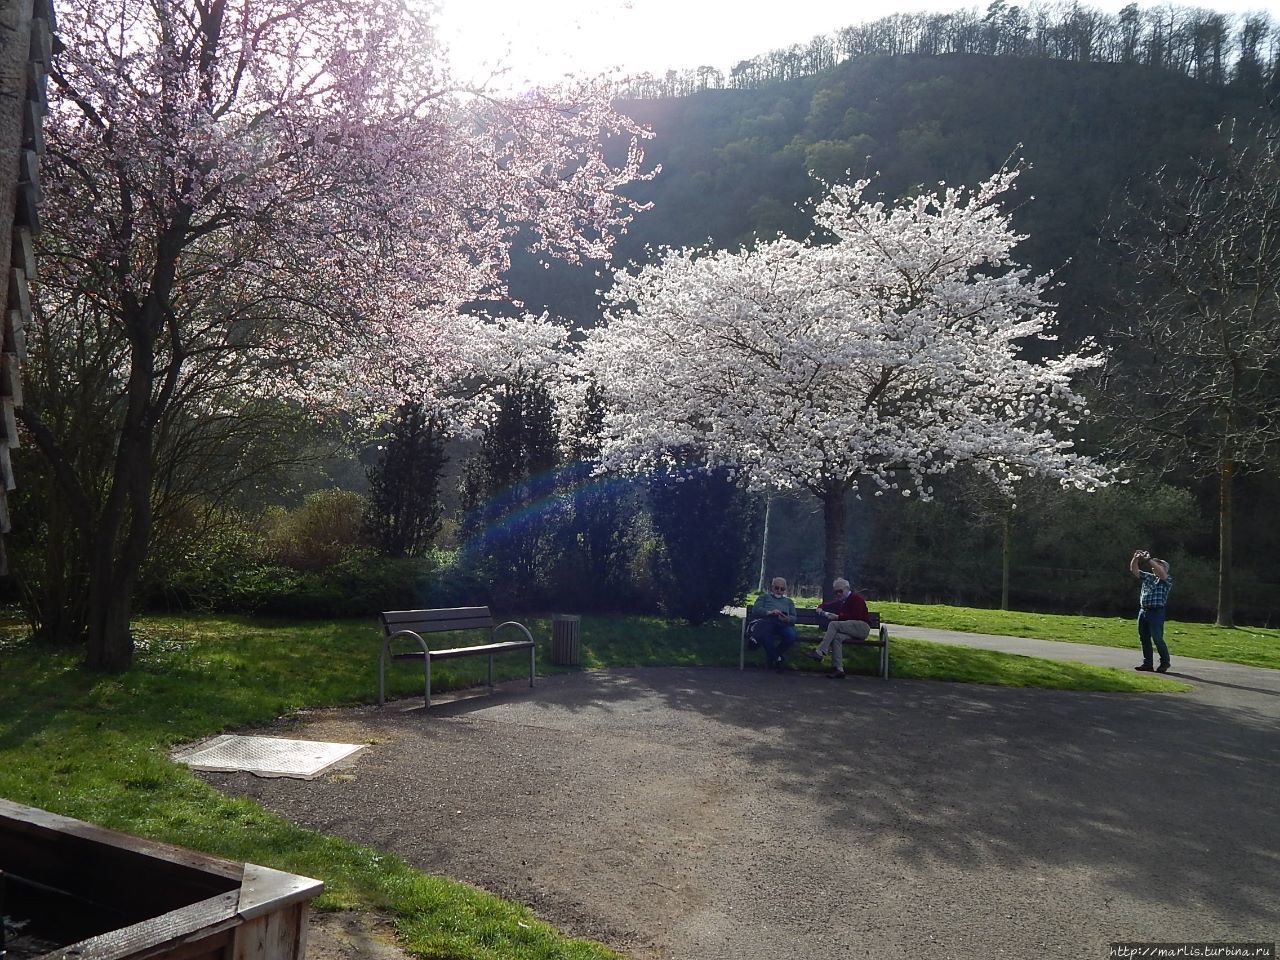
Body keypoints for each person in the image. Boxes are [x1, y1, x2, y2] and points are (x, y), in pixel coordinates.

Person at [805, 578, 871, 679]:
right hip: (852, 628)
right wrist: (820, 607)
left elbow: (855, 616)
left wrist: (838, 617)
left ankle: (819, 652)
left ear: (847, 589)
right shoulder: (841, 601)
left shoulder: (856, 599)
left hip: (862, 627)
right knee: (837, 638)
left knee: (833, 624)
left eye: (840, 591)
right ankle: (838, 669)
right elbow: (828, 604)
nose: (838, 594)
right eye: (836, 592)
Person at [1130, 549, 1173, 673]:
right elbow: (1134, 570)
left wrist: (1149, 560)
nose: (1155, 566)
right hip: (1143, 611)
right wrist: (1136, 558)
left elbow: (1161, 573)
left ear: (1165, 568)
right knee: (1144, 638)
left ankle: (1165, 662)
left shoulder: (1166, 580)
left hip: (1156, 612)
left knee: (1157, 638)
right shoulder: (1148, 577)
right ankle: (1147, 663)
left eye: (1160, 564)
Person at [750, 577, 797, 672]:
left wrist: (787, 619)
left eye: (782, 589)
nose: (779, 591)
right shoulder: (764, 597)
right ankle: (778, 659)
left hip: (782, 624)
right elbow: (755, 610)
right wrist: (769, 612)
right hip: (767, 623)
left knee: (791, 636)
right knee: (766, 636)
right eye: (776, 588)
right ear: (772, 587)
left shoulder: (789, 602)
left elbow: (794, 618)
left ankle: (773, 656)